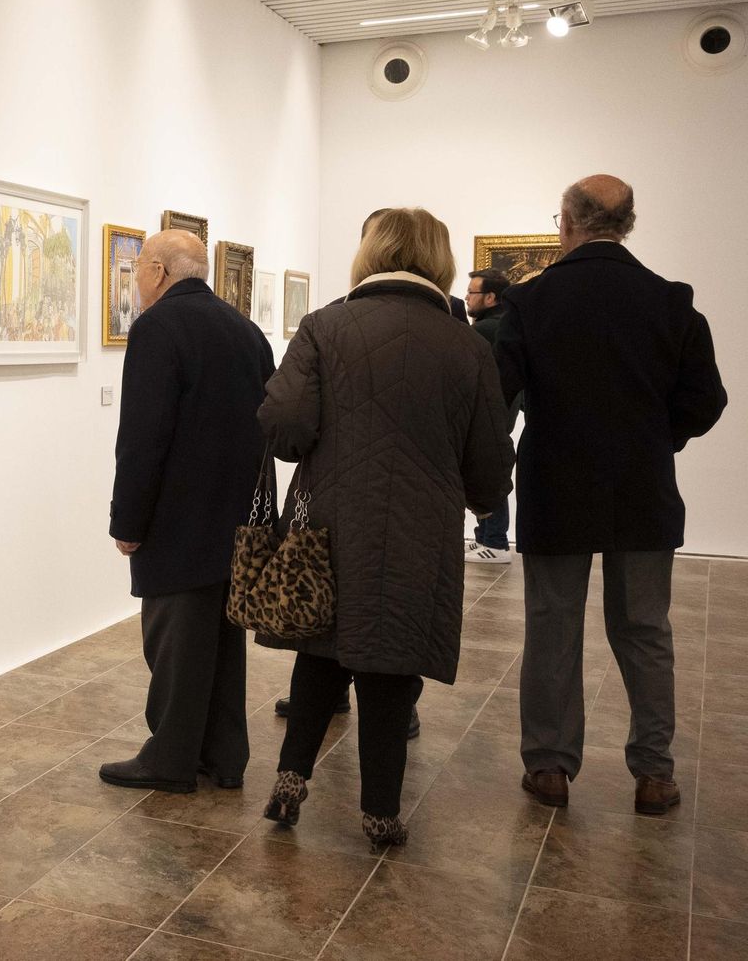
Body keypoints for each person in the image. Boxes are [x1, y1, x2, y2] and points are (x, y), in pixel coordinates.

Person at [257, 208, 512, 847]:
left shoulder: (324, 325)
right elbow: (488, 456)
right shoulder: (469, 345)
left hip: (329, 524)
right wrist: (484, 501)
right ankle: (380, 813)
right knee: (392, 666)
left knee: (320, 655)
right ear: (440, 259)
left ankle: (290, 780)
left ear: (370, 253)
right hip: (420, 532)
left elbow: (284, 424)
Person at [497, 175, 727, 815]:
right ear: (627, 224)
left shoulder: (531, 301)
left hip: (555, 485)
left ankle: (548, 767)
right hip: (642, 490)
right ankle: (654, 774)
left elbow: (500, 392)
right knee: (645, 629)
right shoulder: (672, 302)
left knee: (552, 627)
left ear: (568, 223)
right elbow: (706, 402)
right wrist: (659, 438)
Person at [102, 230, 275, 794]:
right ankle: (225, 755)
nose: (136, 282)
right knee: (223, 643)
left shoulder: (156, 329)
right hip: (235, 516)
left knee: (174, 642)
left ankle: (171, 758)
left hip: (177, 520)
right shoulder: (246, 332)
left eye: (137, 271)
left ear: (156, 270)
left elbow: (143, 439)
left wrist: (127, 522)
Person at [465, 268, 516, 563]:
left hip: (489, 414)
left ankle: (495, 541)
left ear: (490, 297)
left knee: (488, 469)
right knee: (486, 468)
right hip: (498, 412)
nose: (467, 298)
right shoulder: (499, 325)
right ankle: (486, 536)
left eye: (472, 293)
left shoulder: (485, 330)